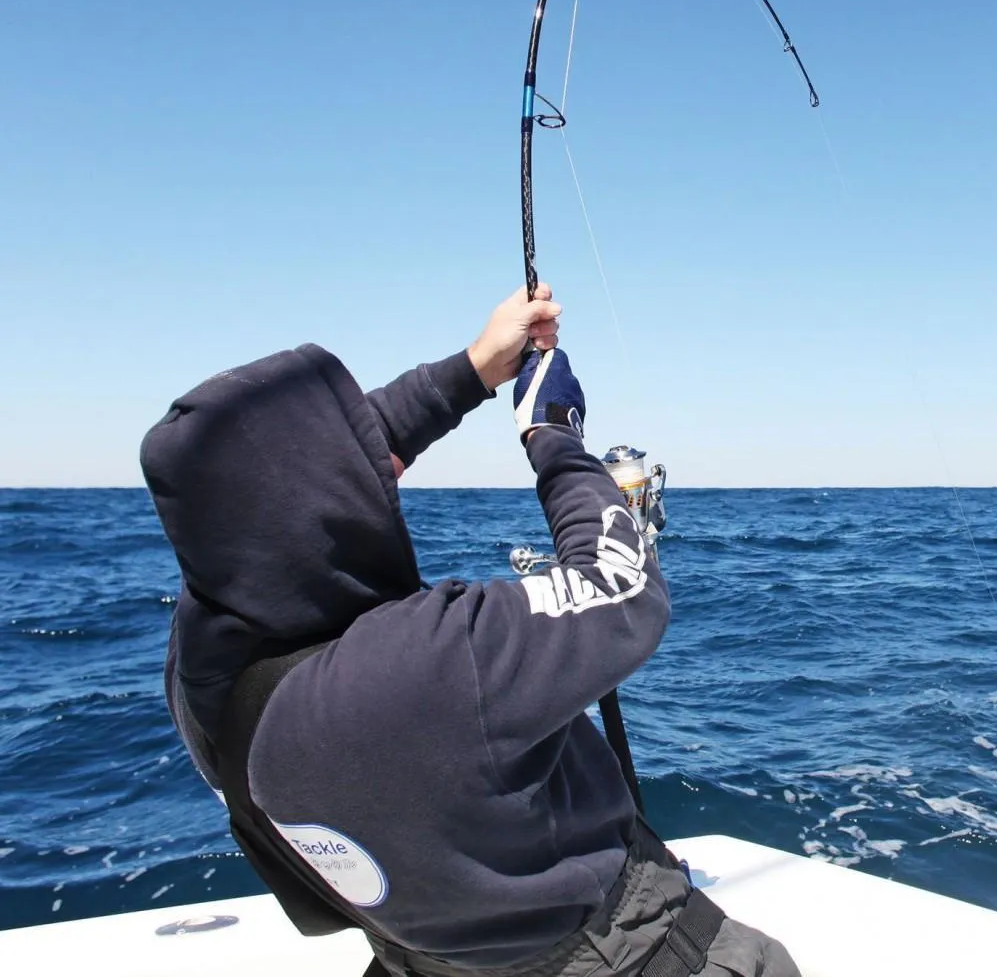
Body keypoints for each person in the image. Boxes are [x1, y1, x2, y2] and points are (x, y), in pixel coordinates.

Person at [141, 285, 800, 977]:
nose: (378, 464)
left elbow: (312, 475)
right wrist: (553, 436)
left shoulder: (200, 665)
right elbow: (626, 587)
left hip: (420, 955)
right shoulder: (422, 666)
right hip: (609, 956)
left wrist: (475, 368)